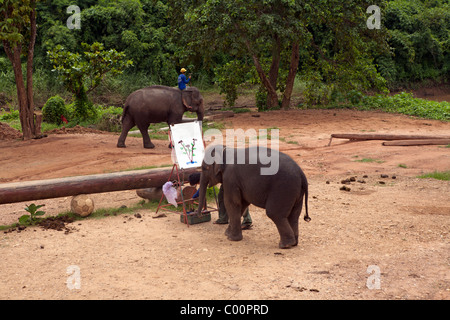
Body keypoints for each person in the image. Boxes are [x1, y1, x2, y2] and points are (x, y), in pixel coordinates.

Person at [188, 173, 253, 229]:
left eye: (197, 183)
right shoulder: (205, 174)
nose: (199, 184)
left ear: (199, 180)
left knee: (238, 200)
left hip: (233, 180)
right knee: (221, 196)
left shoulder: (208, 176)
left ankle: (247, 221)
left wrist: (193, 197)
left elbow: (202, 189)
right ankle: (223, 219)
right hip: (226, 180)